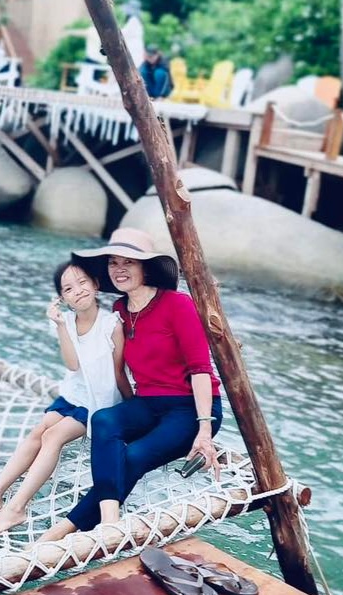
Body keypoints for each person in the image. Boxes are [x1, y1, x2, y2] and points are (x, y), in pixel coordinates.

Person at [38, 228, 223, 542]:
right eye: (113, 262)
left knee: (134, 455)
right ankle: (111, 522)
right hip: (147, 403)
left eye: (129, 262)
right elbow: (102, 366)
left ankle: (65, 528)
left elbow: (200, 370)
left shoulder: (178, 304)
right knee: (103, 420)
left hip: (190, 407)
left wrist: (204, 431)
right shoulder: (119, 310)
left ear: (145, 267)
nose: (119, 269)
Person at [0, 261, 133, 534]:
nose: (78, 291)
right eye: (68, 289)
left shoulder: (111, 323)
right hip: (74, 394)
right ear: (62, 298)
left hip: (99, 401)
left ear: (96, 284)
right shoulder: (65, 322)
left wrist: (132, 408)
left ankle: (16, 508)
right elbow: (72, 364)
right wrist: (60, 324)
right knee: (38, 430)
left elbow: (118, 372)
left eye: (83, 282)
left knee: (52, 436)